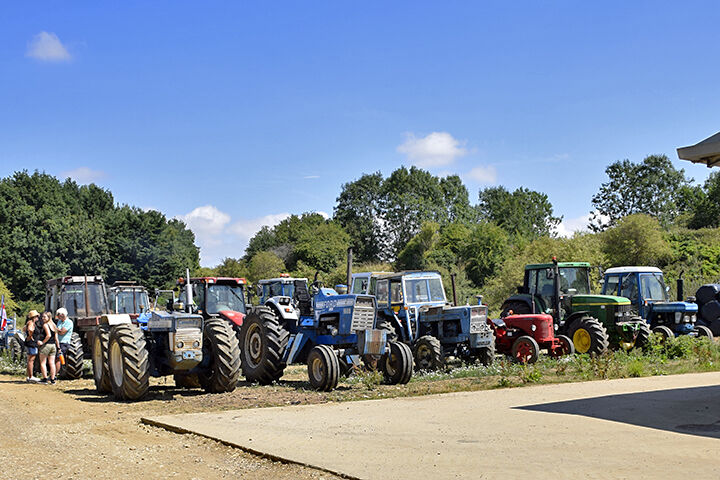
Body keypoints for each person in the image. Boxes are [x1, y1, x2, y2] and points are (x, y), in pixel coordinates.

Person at [36, 311, 59, 384]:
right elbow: (56, 338)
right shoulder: (54, 325)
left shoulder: (46, 325)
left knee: (43, 363)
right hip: (53, 345)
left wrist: (42, 342)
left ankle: (45, 379)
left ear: (49, 317)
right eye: (42, 317)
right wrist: (58, 347)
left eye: (44, 317)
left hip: (46, 345)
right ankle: (52, 379)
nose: (43, 318)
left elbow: (48, 335)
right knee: (52, 363)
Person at [22, 310, 40, 382]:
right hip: (32, 343)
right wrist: (30, 335)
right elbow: (30, 329)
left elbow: (24, 329)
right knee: (31, 360)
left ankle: (29, 375)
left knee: (30, 359)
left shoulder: (29, 322)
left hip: (30, 342)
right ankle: (31, 376)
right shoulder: (31, 323)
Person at [54, 307, 73, 375]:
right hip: (58, 342)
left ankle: (55, 374)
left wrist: (56, 330)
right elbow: (58, 330)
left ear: (63, 315)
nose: (58, 317)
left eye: (59, 315)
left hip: (64, 342)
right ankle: (56, 373)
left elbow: (62, 332)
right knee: (57, 358)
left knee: (59, 358)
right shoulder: (59, 322)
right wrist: (57, 330)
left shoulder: (69, 322)